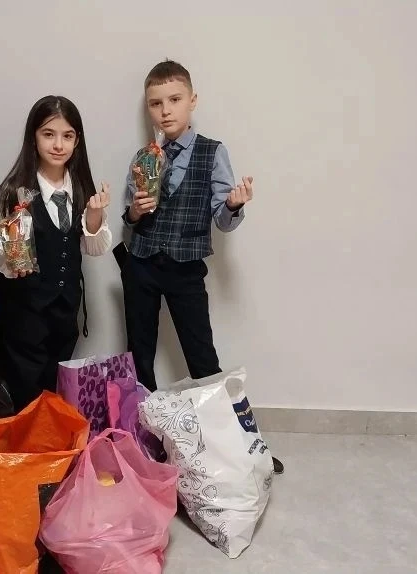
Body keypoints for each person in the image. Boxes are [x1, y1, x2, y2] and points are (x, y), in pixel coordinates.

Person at [119, 60, 283, 473]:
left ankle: (239, 447)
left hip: (186, 269)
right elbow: (129, 217)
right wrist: (136, 211)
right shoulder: (145, 156)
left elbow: (223, 219)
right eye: (156, 103)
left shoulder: (212, 152)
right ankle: (147, 445)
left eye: (174, 100)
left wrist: (233, 205)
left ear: (192, 101)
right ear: (148, 108)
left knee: (202, 359)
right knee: (139, 356)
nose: (165, 110)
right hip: (141, 264)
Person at [0, 96, 112, 411]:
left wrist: (94, 220)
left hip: (65, 312)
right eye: (48, 134)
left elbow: (94, 248)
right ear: (34, 137)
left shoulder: (81, 189)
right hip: (23, 313)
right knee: (21, 396)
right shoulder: (13, 191)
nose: (58, 144)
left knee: (55, 395)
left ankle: (51, 442)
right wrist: (10, 244)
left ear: (77, 141)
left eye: (67, 136)